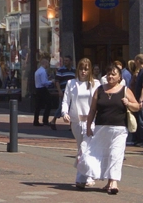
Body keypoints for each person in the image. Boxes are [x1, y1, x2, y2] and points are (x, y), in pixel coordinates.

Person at [84, 61, 140, 195]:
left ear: (119, 77)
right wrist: (88, 126)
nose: (110, 77)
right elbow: (92, 110)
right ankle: (107, 180)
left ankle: (114, 181)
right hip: (101, 128)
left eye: (113, 75)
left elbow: (137, 106)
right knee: (99, 154)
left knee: (116, 154)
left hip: (119, 129)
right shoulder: (100, 90)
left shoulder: (125, 90)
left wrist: (128, 103)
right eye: (108, 74)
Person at [58, 57, 101, 190]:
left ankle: (81, 178)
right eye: (81, 69)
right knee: (81, 148)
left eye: (86, 69)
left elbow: (99, 102)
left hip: (91, 121)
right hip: (76, 121)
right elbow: (66, 101)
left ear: (90, 70)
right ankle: (88, 175)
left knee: (84, 149)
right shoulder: (71, 83)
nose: (83, 72)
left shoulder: (96, 84)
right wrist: (64, 113)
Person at [125, 54, 143, 146]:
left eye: (136, 61)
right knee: (140, 119)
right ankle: (139, 139)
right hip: (140, 98)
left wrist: (141, 100)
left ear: (138, 61)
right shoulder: (142, 71)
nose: (135, 63)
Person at [32, 56, 54, 127]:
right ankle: (45, 120)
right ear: (45, 63)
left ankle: (36, 120)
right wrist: (51, 81)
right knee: (49, 103)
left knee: (38, 106)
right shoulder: (43, 71)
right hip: (42, 89)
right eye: (48, 63)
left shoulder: (37, 71)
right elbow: (44, 82)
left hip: (37, 89)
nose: (48, 65)